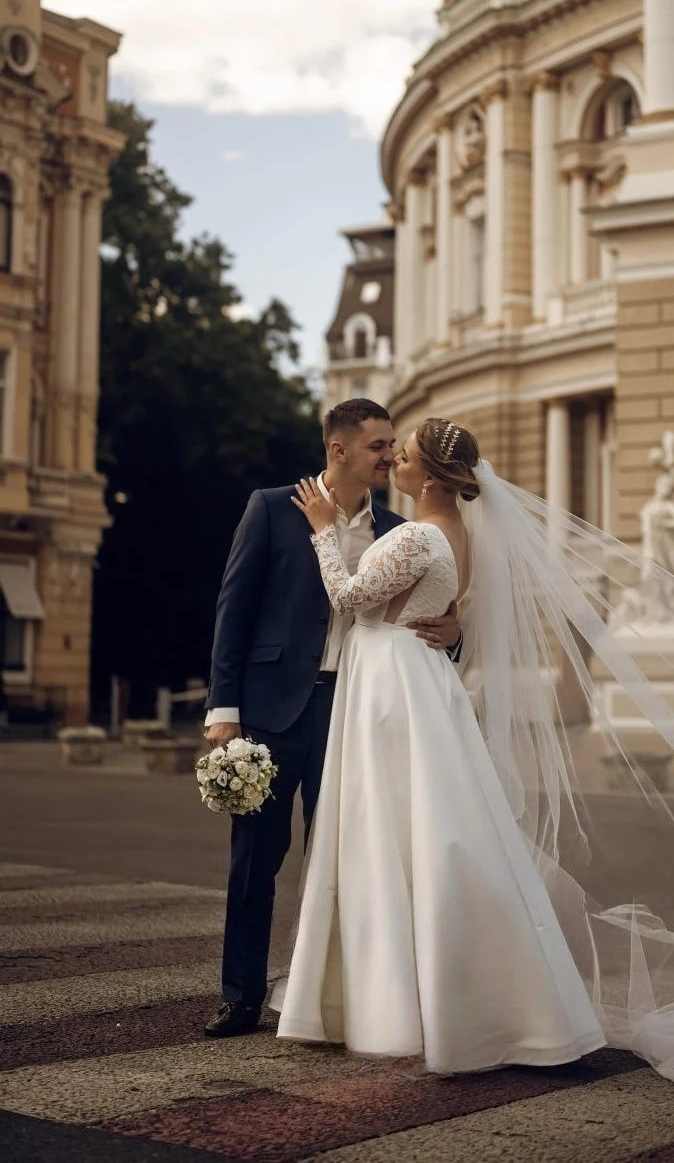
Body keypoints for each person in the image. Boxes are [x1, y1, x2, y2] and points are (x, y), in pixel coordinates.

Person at [273, 417, 674, 1094]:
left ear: (428, 475)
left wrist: (320, 527)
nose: (393, 463)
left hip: (391, 691)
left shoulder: (418, 533)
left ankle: (402, 1007)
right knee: (431, 835)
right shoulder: (457, 536)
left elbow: (347, 598)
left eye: (401, 455)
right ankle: (434, 994)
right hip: (413, 683)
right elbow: (440, 608)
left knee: (394, 835)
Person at [203, 400, 461, 1039]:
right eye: (378, 446)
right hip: (271, 710)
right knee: (255, 860)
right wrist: (224, 712)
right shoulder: (270, 508)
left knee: (351, 859)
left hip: (358, 709)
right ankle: (239, 997)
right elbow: (233, 613)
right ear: (338, 449)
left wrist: (451, 633)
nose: (388, 456)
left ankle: (338, 1002)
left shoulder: (399, 529)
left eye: (393, 446)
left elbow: (425, 619)